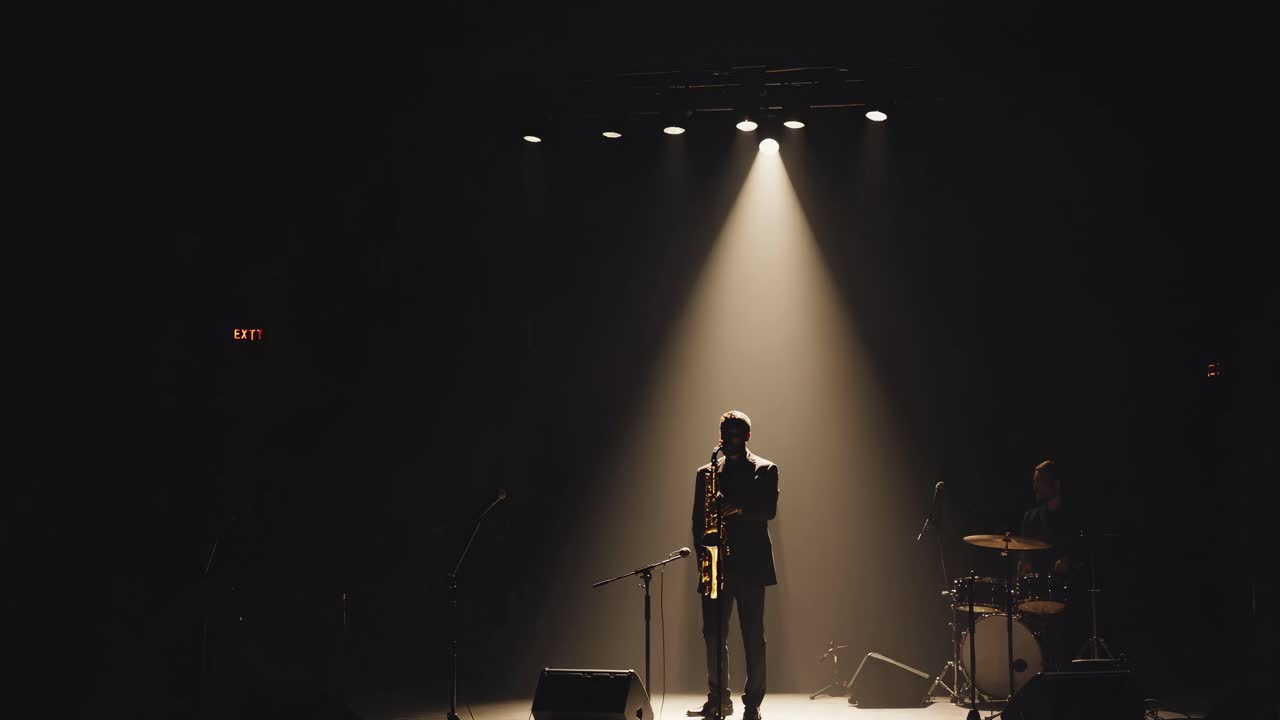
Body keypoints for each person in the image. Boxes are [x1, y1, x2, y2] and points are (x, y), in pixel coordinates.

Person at [688, 411, 779, 720]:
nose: (729, 439)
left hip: (751, 565)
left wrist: (740, 509)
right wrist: (706, 554)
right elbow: (698, 521)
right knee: (712, 634)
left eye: (736, 433)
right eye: (726, 433)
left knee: (752, 635)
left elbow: (769, 510)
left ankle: (752, 703)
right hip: (716, 565)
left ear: (747, 436)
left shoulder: (765, 470)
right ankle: (718, 698)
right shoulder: (706, 473)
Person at [1015, 460, 1085, 670]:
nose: (1035, 487)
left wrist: (1069, 562)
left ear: (1056, 484)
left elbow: (1084, 550)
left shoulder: (1074, 516)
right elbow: (1025, 554)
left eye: (1040, 482)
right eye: (1034, 482)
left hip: (1070, 591)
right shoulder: (1031, 517)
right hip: (1037, 592)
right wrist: (1023, 566)